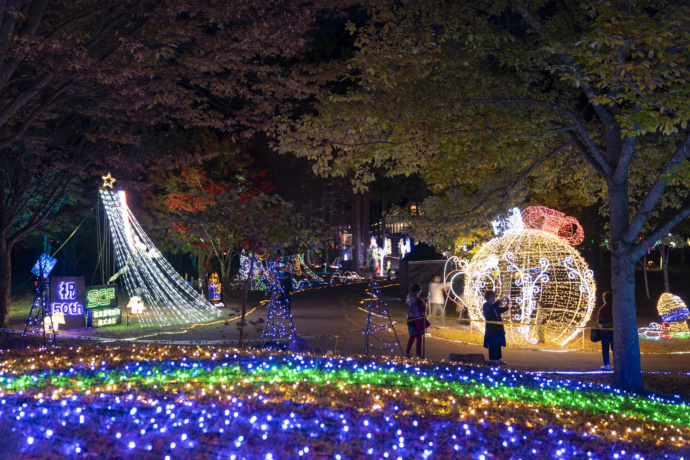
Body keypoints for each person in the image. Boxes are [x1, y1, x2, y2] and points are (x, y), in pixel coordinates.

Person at [482, 290, 510, 365]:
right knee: (492, 344)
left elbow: (502, 310)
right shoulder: (486, 305)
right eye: (492, 296)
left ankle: (498, 358)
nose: (494, 298)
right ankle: (493, 359)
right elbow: (491, 308)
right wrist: (499, 302)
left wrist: (507, 303)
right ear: (488, 297)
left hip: (498, 327)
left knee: (497, 343)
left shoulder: (494, 305)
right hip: (491, 328)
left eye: (494, 296)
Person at [405, 283, 429, 358]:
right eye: (420, 291)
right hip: (417, 320)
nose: (420, 293)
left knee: (411, 337)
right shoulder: (418, 300)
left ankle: (407, 353)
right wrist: (425, 303)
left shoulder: (408, 297)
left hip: (410, 320)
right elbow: (422, 310)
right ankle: (419, 355)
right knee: (419, 338)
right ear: (418, 291)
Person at [597, 291, 614, 370]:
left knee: (605, 348)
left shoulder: (602, 309)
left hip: (605, 331)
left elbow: (599, 320)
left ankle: (606, 365)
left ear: (604, 299)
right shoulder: (615, 308)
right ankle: (616, 364)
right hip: (614, 331)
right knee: (615, 348)